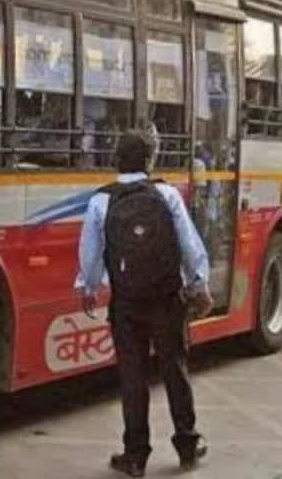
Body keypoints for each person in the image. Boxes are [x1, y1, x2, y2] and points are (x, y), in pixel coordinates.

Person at [75, 126, 212, 476]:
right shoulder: (166, 194)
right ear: (150, 161)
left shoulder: (100, 201)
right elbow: (189, 243)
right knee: (174, 370)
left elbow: (90, 255)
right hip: (168, 299)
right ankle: (187, 443)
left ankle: (135, 455)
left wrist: (88, 288)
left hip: (127, 303)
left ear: (116, 161)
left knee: (132, 376)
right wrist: (199, 283)